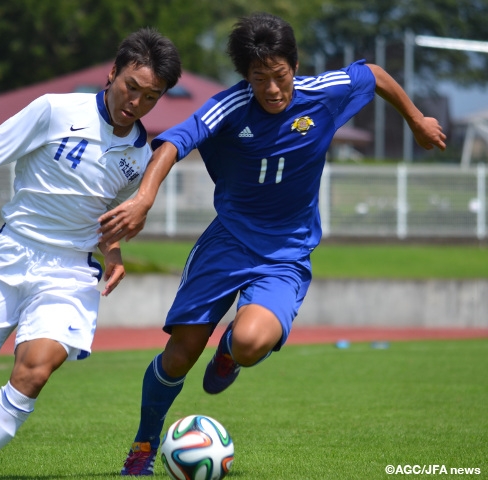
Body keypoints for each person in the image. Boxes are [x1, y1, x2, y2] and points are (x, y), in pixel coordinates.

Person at [97, 13, 447, 476]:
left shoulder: (324, 93)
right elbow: (171, 144)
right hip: (228, 243)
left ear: (295, 66)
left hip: (285, 253)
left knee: (247, 342)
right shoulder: (229, 107)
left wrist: (417, 119)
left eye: (280, 76)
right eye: (259, 79)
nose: (273, 90)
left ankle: (229, 354)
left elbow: (375, 74)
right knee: (180, 353)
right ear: (246, 77)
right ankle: (144, 444)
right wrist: (144, 198)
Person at [0, 27, 181, 480]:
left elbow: (106, 217)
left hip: (69, 273)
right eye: (130, 88)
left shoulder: (140, 157)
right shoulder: (54, 109)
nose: (134, 103)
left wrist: (113, 254)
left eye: (150, 97)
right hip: (11, 254)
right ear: (112, 74)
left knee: (34, 372)